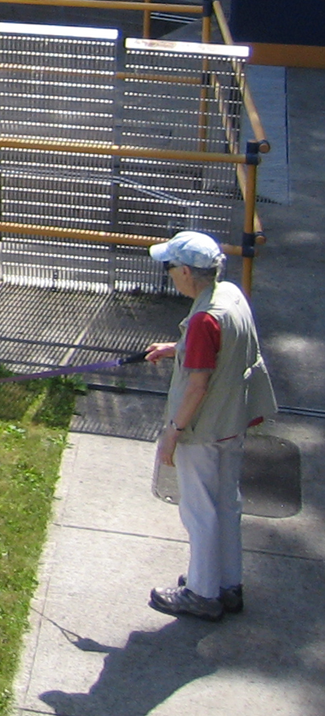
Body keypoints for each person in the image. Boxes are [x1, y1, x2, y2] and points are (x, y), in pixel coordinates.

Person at [142, 231, 276, 621]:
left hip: (204, 429)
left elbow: (198, 385)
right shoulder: (230, 295)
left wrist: (172, 432)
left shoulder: (202, 320)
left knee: (199, 511)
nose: (169, 275)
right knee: (227, 504)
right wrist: (176, 348)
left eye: (169, 268)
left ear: (185, 271)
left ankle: (201, 594)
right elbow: (225, 345)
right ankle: (226, 584)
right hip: (234, 420)